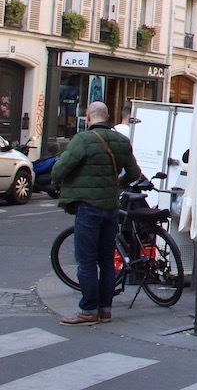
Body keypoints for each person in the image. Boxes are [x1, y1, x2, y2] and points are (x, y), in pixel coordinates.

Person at [51, 101, 144, 325]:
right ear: (108, 115)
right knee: (106, 260)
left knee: (86, 260)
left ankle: (88, 310)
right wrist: (117, 184)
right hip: (111, 207)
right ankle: (105, 309)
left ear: (88, 116)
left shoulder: (83, 140)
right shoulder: (121, 141)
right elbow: (134, 173)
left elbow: (58, 170)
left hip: (88, 207)